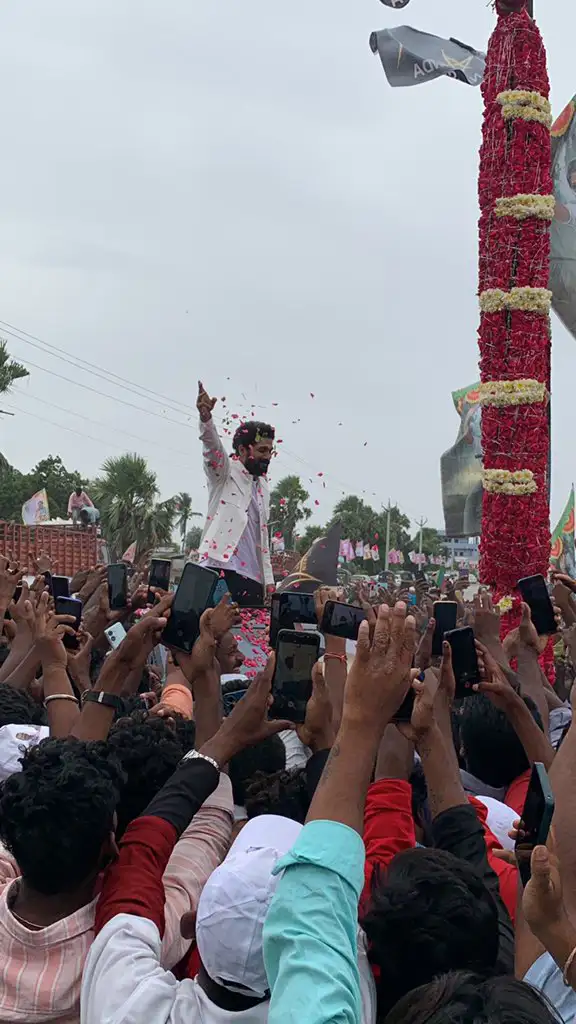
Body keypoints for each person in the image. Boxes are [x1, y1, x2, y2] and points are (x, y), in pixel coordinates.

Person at [196, 380, 275, 607]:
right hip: (218, 568)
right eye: (262, 450)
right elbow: (212, 450)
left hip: (251, 577)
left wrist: (268, 580)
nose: (268, 456)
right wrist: (206, 420)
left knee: (248, 639)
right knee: (210, 635)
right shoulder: (224, 474)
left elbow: (263, 537)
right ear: (242, 450)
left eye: (270, 451)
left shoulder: (263, 487)